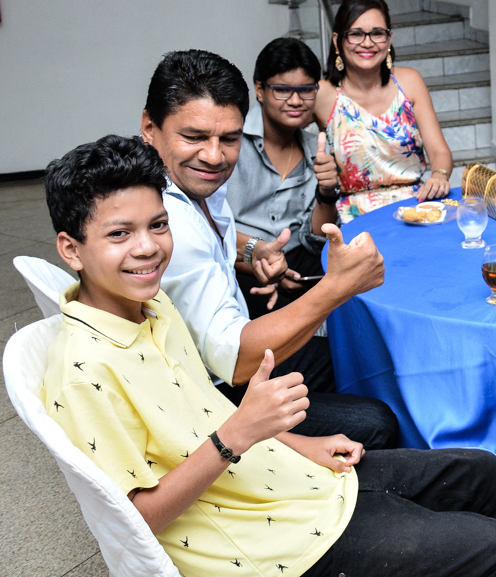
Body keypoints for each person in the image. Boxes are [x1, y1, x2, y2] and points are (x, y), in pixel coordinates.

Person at [41, 135, 496, 577]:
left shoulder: (152, 306)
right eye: (120, 234)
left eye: (158, 225)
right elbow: (131, 522)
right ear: (71, 249)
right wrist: (237, 434)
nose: (148, 248)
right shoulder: (84, 373)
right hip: (259, 544)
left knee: (483, 471)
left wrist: (299, 445)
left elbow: (204, 413)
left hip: (277, 482)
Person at [140, 49, 398, 449]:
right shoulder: (165, 220)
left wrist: (251, 251)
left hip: (219, 359)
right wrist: (339, 286)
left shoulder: (189, 187)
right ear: (149, 127)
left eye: (229, 139)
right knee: (378, 421)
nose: (214, 156)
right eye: (193, 137)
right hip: (213, 398)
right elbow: (235, 362)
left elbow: (213, 242)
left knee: (353, 353)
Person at [313, 0, 453, 223]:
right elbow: (283, 123)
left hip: (415, 211)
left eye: (377, 33)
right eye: (356, 34)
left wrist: (439, 175)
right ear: (337, 40)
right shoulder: (323, 93)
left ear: (389, 39)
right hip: (353, 220)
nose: (367, 43)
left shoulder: (410, 82)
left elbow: (440, 151)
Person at [227, 38, 334, 318]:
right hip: (239, 260)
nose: (296, 101)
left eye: (306, 90)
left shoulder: (316, 149)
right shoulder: (229, 140)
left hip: (297, 260)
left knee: (348, 284)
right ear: (260, 90)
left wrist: (327, 192)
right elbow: (208, 227)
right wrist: (261, 265)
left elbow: (314, 240)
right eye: (283, 90)